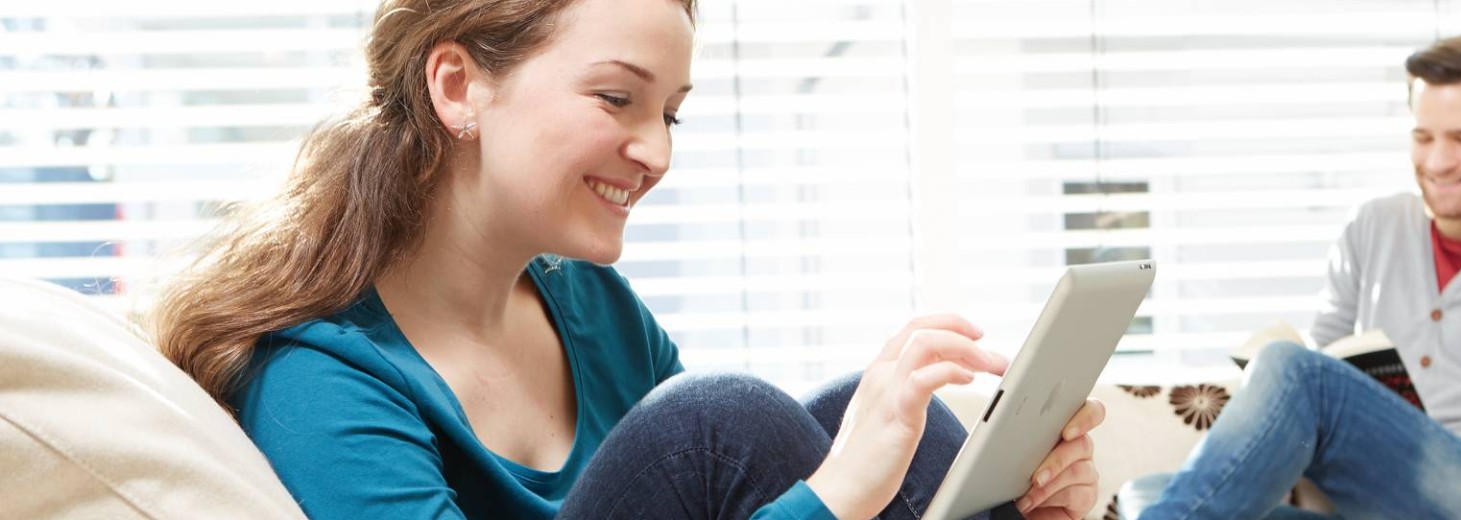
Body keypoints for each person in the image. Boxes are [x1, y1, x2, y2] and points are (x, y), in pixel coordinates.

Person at [148, 0, 1104, 518]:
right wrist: (838, 500)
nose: (658, 151)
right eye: (617, 98)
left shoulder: (593, 307)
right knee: (720, 423)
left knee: (894, 417)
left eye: (671, 113)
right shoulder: (323, 380)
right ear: (456, 86)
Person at [1136, 35, 1461, 519]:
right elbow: (1331, 377)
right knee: (1155, 494)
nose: (1438, 161)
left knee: (1297, 374)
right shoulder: (1372, 229)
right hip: (1375, 503)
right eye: (1423, 138)